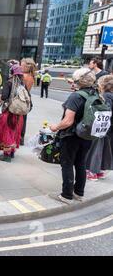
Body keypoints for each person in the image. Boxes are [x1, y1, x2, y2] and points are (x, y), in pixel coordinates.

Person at [49, 68, 96, 204]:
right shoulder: (95, 93)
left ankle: (66, 195)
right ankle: (78, 193)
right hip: (87, 135)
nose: (73, 83)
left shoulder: (76, 97)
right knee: (81, 163)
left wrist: (55, 127)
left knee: (67, 164)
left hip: (72, 136)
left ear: (80, 81)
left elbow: (68, 121)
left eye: (75, 81)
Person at [0, 63, 26, 162]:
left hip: (9, 112)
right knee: (14, 132)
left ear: (12, 72)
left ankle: (6, 155)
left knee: (6, 132)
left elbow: (4, 96)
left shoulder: (9, 82)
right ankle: (11, 152)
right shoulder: (22, 84)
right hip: (18, 114)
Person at [85, 75, 113, 181]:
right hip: (108, 128)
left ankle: (91, 171)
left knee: (95, 148)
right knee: (104, 148)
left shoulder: (106, 96)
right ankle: (100, 170)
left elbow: (105, 111)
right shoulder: (110, 95)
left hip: (102, 127)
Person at [21, 58, 37, 145]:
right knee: (23, 119)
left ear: (27, 67)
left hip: (22, 99)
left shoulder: (24, 76)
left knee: (19, 119)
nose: (20, 67)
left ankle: (19, 137)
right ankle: (21, 137)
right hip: (27, 100)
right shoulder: (31, 76)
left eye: (22, 65)